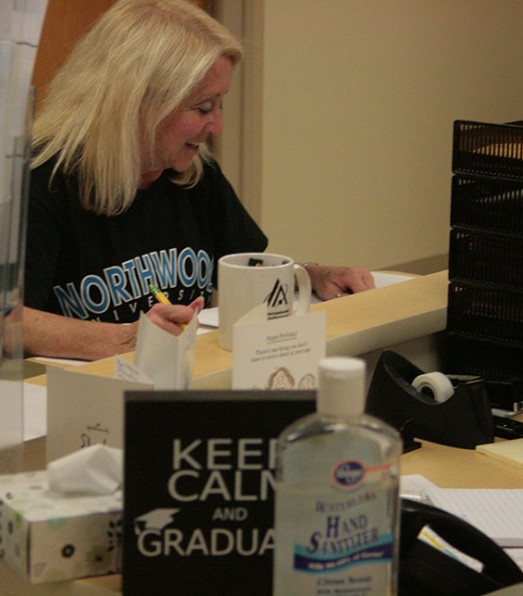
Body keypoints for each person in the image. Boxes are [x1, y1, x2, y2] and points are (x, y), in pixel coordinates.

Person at [23, 0, 373, 361]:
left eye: (220, 105)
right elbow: (1, 320)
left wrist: (309, 276)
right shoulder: (41, 179)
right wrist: (127, 339)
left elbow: (245, 271)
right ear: (136, 101)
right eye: (204, 108)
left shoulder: (195, 175)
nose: (216, 127)